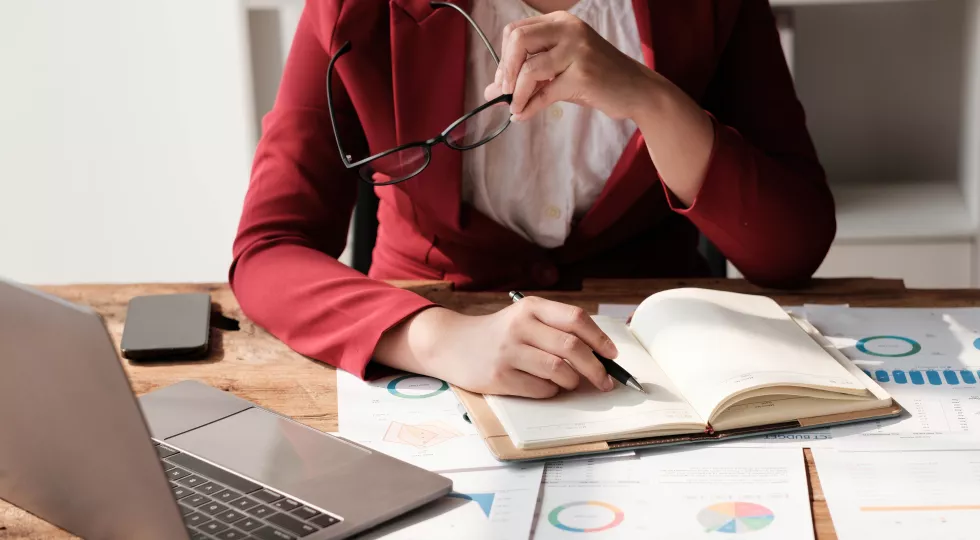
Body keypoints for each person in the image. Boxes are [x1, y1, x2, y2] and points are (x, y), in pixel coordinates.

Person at [230, 0, 836, 399]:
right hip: (423, 373)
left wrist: (654, 102)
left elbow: (792, 248)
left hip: (658, 373)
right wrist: (438, 337)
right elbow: (268, 250)